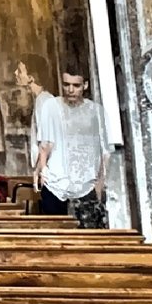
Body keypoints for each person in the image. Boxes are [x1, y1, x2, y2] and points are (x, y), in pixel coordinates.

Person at [30, 69, 107, 224]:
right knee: (57, 236)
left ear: (85, 85)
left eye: (76, 85)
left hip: (87, 183)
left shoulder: (96, 112)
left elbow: (104, 149)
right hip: (55, 183)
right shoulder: (51, 106)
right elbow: (45, 144)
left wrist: (100, 181)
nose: (70, 90)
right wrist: (42, 171)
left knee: (89, 238)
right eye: (66, 84)